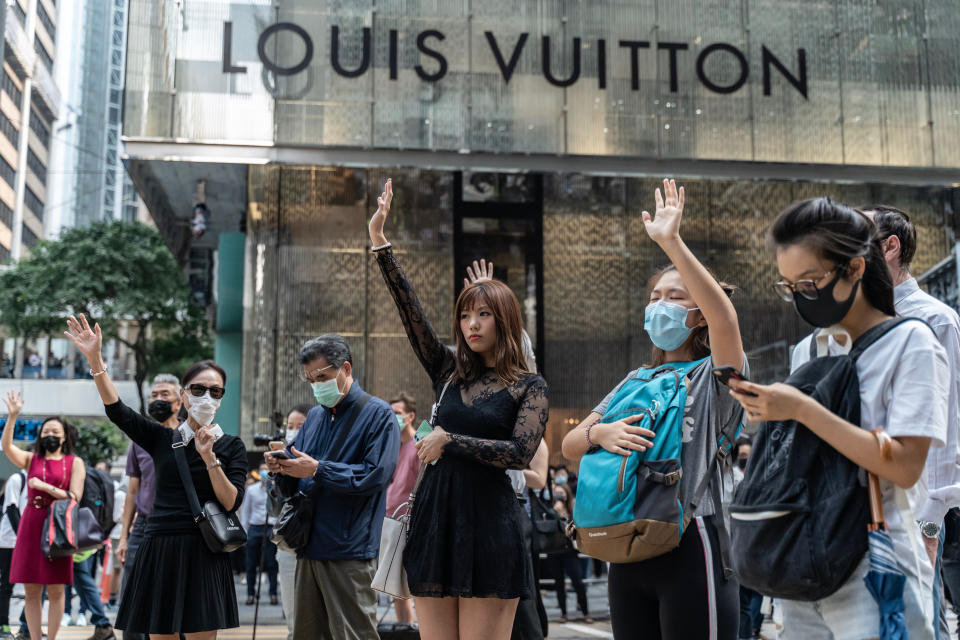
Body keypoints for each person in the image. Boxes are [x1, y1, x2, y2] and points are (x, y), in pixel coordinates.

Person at [729, 198, 948, 639]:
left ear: (854, 268)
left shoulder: (913, 343)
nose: (801, 297)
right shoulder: (810, 351)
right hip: (803, 556)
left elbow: (905, 466)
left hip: (875, 561)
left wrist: (801, 410)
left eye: (810, 282)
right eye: (789, 287)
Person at [562, 179, 746, 639]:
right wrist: (598, 435)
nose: (660, 306)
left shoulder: (712, 377)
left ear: (698, 313)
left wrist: (672, 242)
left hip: (692, 537)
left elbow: (726, 319)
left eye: (675, 297)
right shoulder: (635, 380)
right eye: (654, 298)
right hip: (627, 542)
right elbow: (568, 445)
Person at [369, 178, 549, 640]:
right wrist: (380, 244)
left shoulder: (529, 386)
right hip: (435, 520)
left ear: (504, 321)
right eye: (466, 314)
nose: (471, 323)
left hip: (492, 525)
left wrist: (450, 440)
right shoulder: (447, 371)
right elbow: (412, 316)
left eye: (484, 314)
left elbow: (518, 453)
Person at [65, 313, 248, 640]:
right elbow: (118, 410)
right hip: (159, 546)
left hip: (205, 551)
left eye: (215, 391)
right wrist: (95, 359)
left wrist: (210, 459)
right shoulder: (162, 439)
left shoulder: (231, 446)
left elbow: (231, 501)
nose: (207, 397)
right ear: (183, 394)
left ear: (222, 399)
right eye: (199, 389)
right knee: (159, 636)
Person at [862, 204, 960, 639]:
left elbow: (948, 420)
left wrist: (931, 516)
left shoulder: (934, 318)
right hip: (870, 504)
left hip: (922, 507)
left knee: (924, 619)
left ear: (891, 247)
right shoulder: (861, 320)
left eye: (858, 237)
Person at [263, 335, 399, 640]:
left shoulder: (380, 415)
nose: (316, 385)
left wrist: (318, 469)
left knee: (354, 634)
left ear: (346, 369)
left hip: (349, 549)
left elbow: (376, 475)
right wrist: (281, 467)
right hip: (308, 545)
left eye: (322, 376)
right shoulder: (313, 417)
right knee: (307, 635)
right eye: (310, 379)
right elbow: (295, 474)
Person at [2, 391, 86, 640]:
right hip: (32, 522)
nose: (50, 435)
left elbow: (75, 496)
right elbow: (6, 447)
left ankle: (52, 638)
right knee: (30, 588)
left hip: (58, 525)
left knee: (57, 588)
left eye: (55, 432)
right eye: (46, 432)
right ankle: (36, 637)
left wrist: (44, 487)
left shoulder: (74, 462)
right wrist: (13, 416)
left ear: (64, 436)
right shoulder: (31, 459)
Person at [116, 373, 183, 640]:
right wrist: (123, 537)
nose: (158, 399)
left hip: (177, 526)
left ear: (179, 401)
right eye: (154, 395)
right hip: (143, 527)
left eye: (165, 394)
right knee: (132, 595)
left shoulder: (191, 437)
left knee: (173, 597)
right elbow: (132, 491)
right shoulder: (140, 440)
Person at [385, 391, 422, 627]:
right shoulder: (390, 445)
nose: (392, 418)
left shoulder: (421, 442)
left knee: (414, 587)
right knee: (395, 588)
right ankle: (404, 629)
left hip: (412, 523)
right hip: (390, 522)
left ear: (410, 416)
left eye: (396, 413)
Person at [276, 404, 311, 640]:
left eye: (300, 426)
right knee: (293, 617)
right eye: (290, 427)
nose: (294, 431)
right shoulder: (283, 457)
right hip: (289, 541)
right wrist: (279, 470)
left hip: (318, 543)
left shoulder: (319, 457)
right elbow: (281, 498)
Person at [547, 485, 590, 625]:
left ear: (566, 493)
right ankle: (563, 613)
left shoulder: (573, 510)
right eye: (556, 493)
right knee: (559, 584)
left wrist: (565, 518)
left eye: (561, 492)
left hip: (570, 551)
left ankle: (585, 612)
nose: (559, 495)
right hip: (554, 551)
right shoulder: (550, 509)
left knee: (578, 582)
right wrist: (554, 513)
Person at [239, 463, 278, 607]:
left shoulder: (275, 488)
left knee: (272, 563)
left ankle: (273, 594)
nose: (264, 473)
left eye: (267, 470)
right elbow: (246, 511)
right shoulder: (251, 490)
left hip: (270, 528)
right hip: (255, 528)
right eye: (262, 470)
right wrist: (244, 531)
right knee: (251, 564)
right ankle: (250, 594)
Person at [0, 465, 26, 639]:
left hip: (26, 542)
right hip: (9, 542)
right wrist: (24, 539)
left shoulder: (41, 481)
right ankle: (3, 625)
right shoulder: (18, 479)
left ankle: (27, 627)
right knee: (6, 586)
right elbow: (11, 510)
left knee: (36, 586)